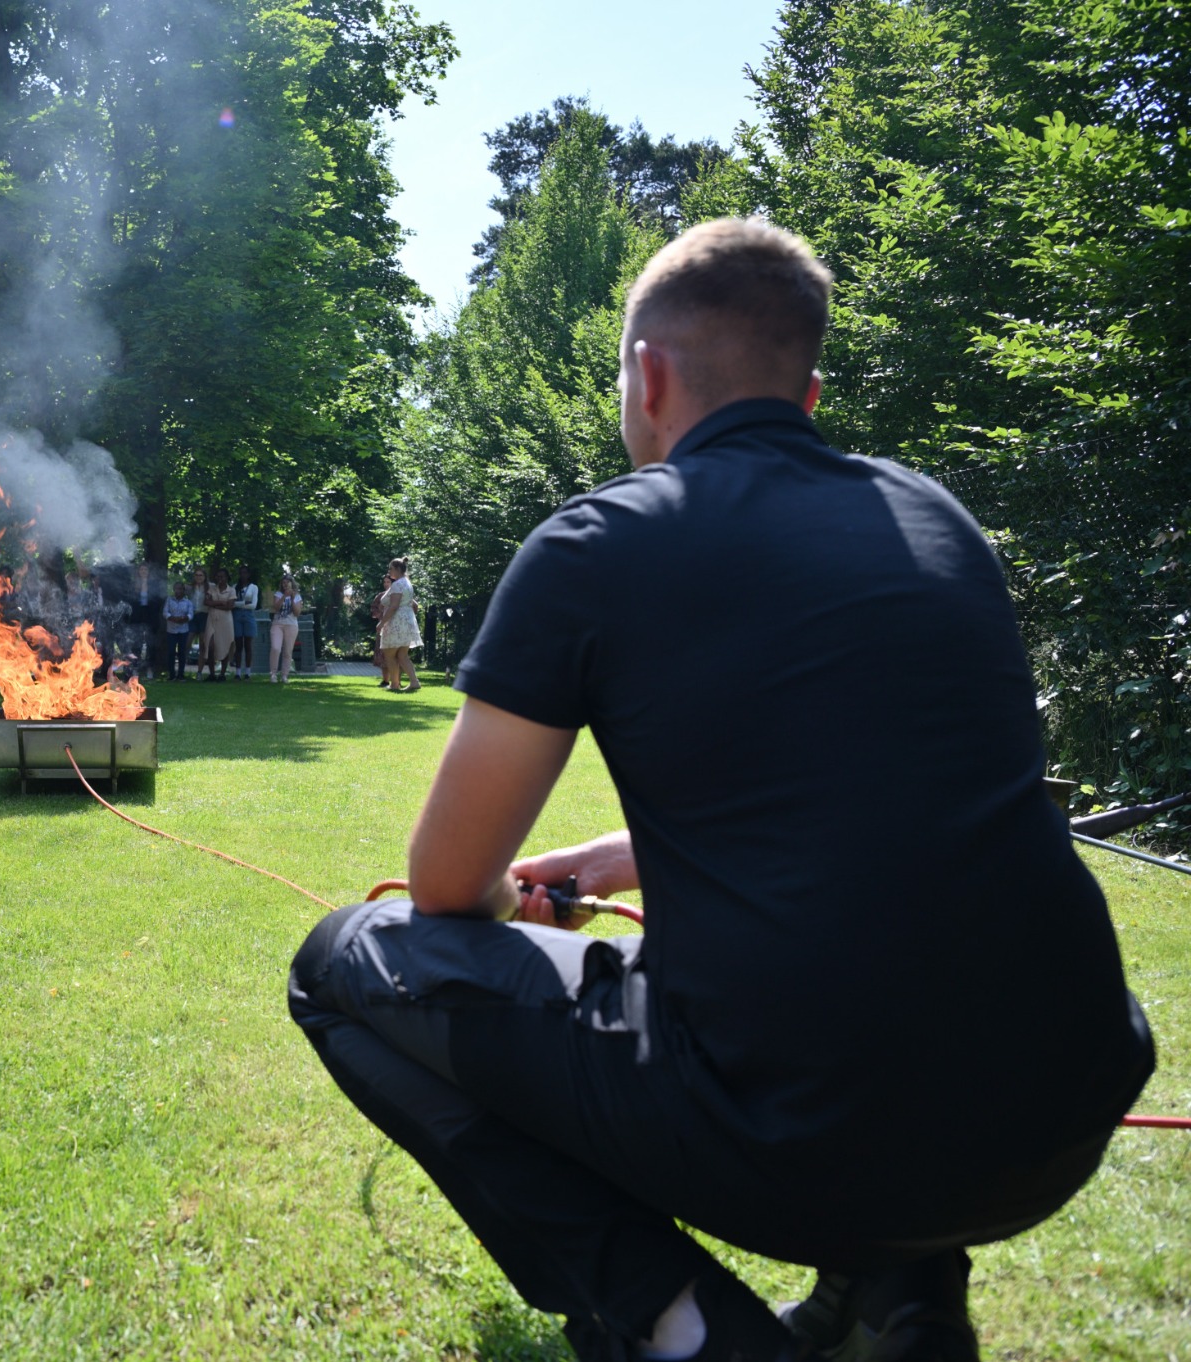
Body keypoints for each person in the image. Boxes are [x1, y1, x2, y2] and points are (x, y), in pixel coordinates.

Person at [287, 218, 1154, 1362]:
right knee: (895, 970)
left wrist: (510, 907)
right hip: (1058, 1112)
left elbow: (448, 887)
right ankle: (895, 1307)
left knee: (340, 962)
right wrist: (609, 861)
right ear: (806, 387)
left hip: (799, 1140)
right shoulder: (933, 520)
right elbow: (887, 801)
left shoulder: (595, 544)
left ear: (647, 377)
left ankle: (679, 1327)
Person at [377, 558, 421, 693]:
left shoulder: (397, 585)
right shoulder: (407, 583)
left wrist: (382, 622)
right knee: (402, 655)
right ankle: (414, 682)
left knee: (389, 654)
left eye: (390, 568)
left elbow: (394, 606)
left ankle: (395, 684)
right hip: (407, 621)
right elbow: (414, 605)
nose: (389, 571)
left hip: (396, 622)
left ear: (397, 569)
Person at [203, 563, 237, 681]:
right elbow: (206, 602)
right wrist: (222, 603)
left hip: (226, 621)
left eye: (222, 576)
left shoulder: (231, 590)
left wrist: (215, 604)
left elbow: (230, 606)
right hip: (212, 619)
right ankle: (212, 673)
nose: (220, 579)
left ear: (227, 577)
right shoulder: (211, 589)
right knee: (210, 645)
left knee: (226, 644)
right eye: (218, 577)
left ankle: (222, 673)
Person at [268, 573, 303, 683]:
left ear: (291, 583)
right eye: (282, 583)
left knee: (287, 651)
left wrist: (292, 598)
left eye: (286, 582)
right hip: (277, 624)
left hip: (291, 625)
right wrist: (284, 596)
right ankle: (273, 674)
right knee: (275, 648)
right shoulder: (278, 594)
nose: (284, 585)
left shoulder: (297, 596)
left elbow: (297, 613)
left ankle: (284, 675)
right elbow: (276, 608)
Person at [162, 579, 195, 681]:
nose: (178, 591)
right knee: (171, 652)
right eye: (176, 589)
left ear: (184, 590)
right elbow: (165, 612)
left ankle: (181, 674)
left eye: (180, 589)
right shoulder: (169, 600)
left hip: (183, 630)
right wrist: (172, 618)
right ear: (173, 589)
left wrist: (184, 619)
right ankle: (171, 674)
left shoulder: (188, 602)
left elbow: (190, 614)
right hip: (171, 630)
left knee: (182, 652)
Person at [232, 565, 259, 679]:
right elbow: (232, 604)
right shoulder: (235, 587)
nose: (243, 575)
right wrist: (244, 603)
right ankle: (237, 672)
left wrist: (240, 604)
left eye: (245, 573)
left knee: (248, 645)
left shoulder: (253, 587)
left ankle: (247, 672)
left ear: (248, 575)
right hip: (237, 616)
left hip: (249, 616)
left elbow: (253, 605)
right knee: (238, 645)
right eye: (241, 573)